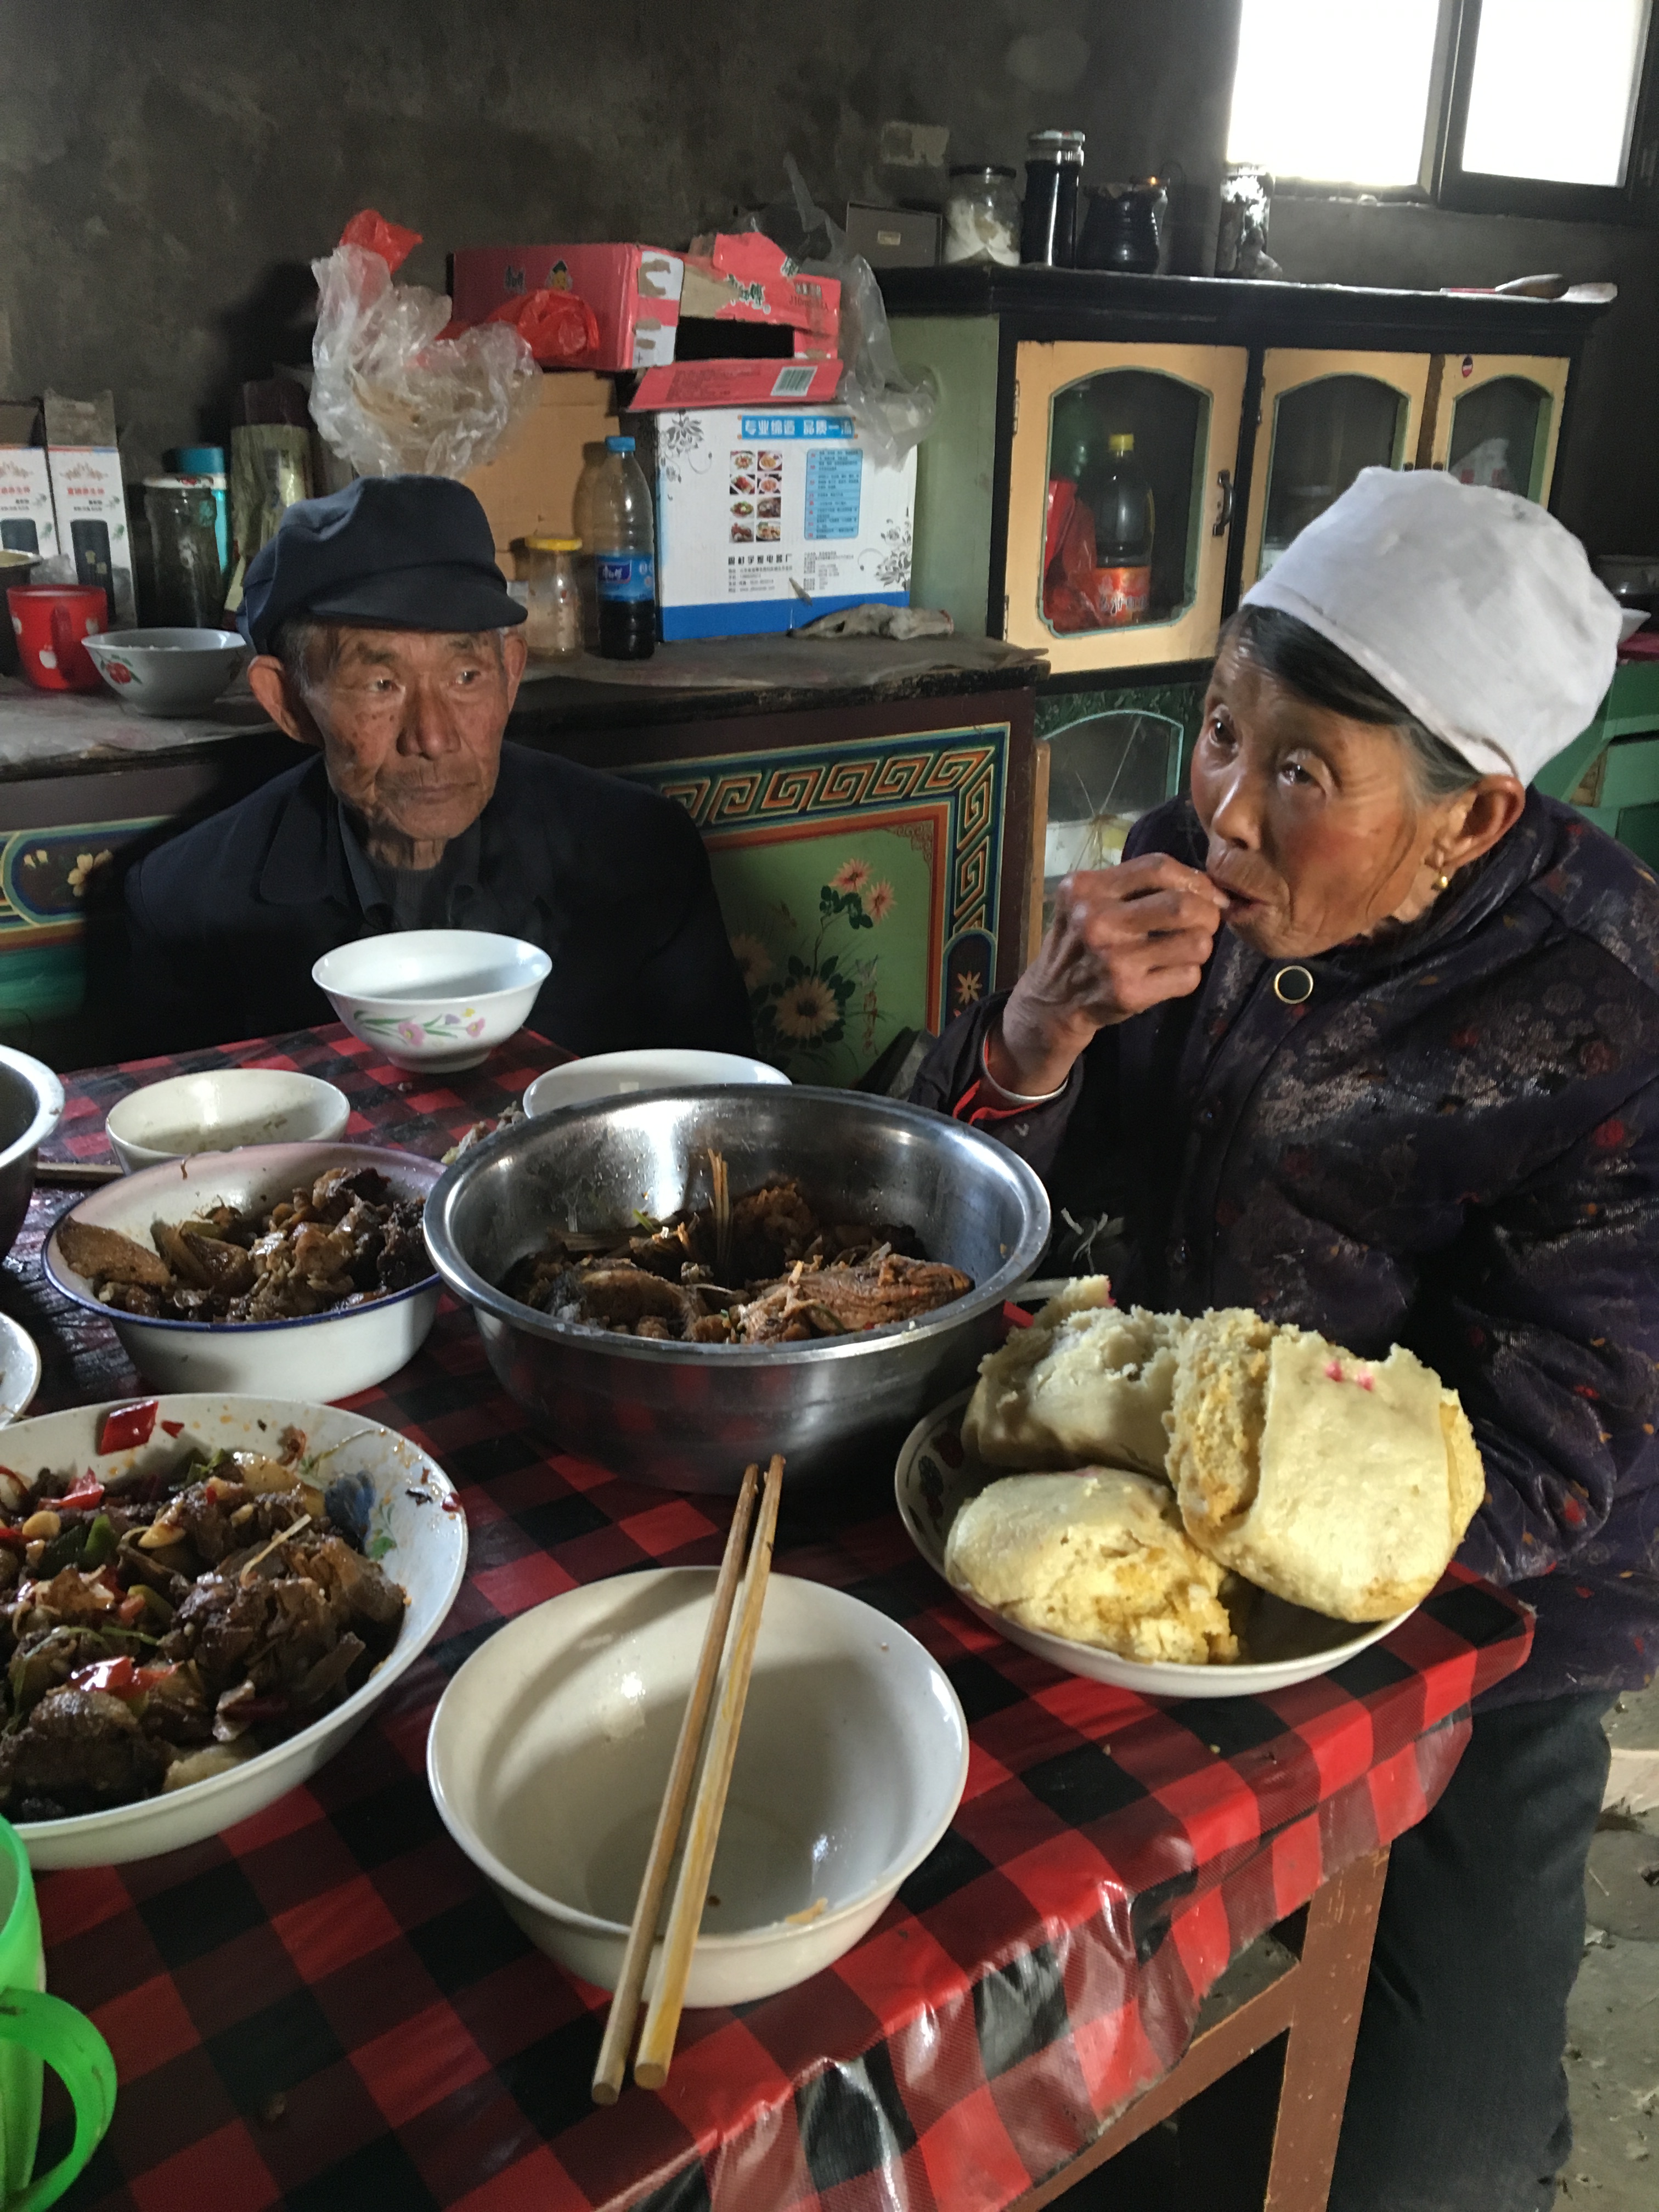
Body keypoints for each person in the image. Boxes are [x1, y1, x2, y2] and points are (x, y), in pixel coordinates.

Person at [916, 468, 1656, 2212]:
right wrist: (1033, 1042)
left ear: (1471, 819)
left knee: (1436, 2175)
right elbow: (981, 1209)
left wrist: (1200, 1581)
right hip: (1134, 1496)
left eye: (1304, 770)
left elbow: (1552, 1468)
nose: (1225, 817)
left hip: (1486, 1627)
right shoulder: (1184, 868)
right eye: (1219, 728)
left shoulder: (1610, 1022)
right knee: (970, 2000)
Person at [123, 475, 753, 1057]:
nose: (432, 736)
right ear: (289, 703)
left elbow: (728, 1119)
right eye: (381, 684)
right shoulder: (189, 907)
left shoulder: (642, 854)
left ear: (510, 675)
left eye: (466, 675)